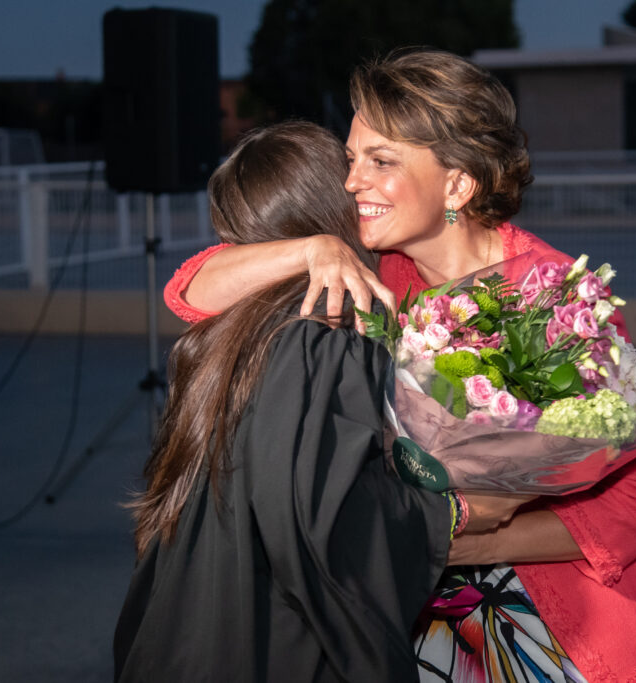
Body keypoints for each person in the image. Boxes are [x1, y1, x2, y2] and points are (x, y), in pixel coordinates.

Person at [163, 49, 636, 683]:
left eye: (380, 162)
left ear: (457, 184)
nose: (352, 181)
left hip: (564, 633)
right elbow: (190, 292)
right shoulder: (376, 269)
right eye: (351, 160)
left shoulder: (556, 301)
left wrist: (468, 540)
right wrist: (314, 247)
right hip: (421, 626)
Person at [113, 122, 529, 683]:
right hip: (276, 644)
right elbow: (319, 518)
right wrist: (452, 511)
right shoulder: (322, 329)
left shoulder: (223, 332)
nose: (363, 186)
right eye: (353, 176)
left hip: (187, 630)